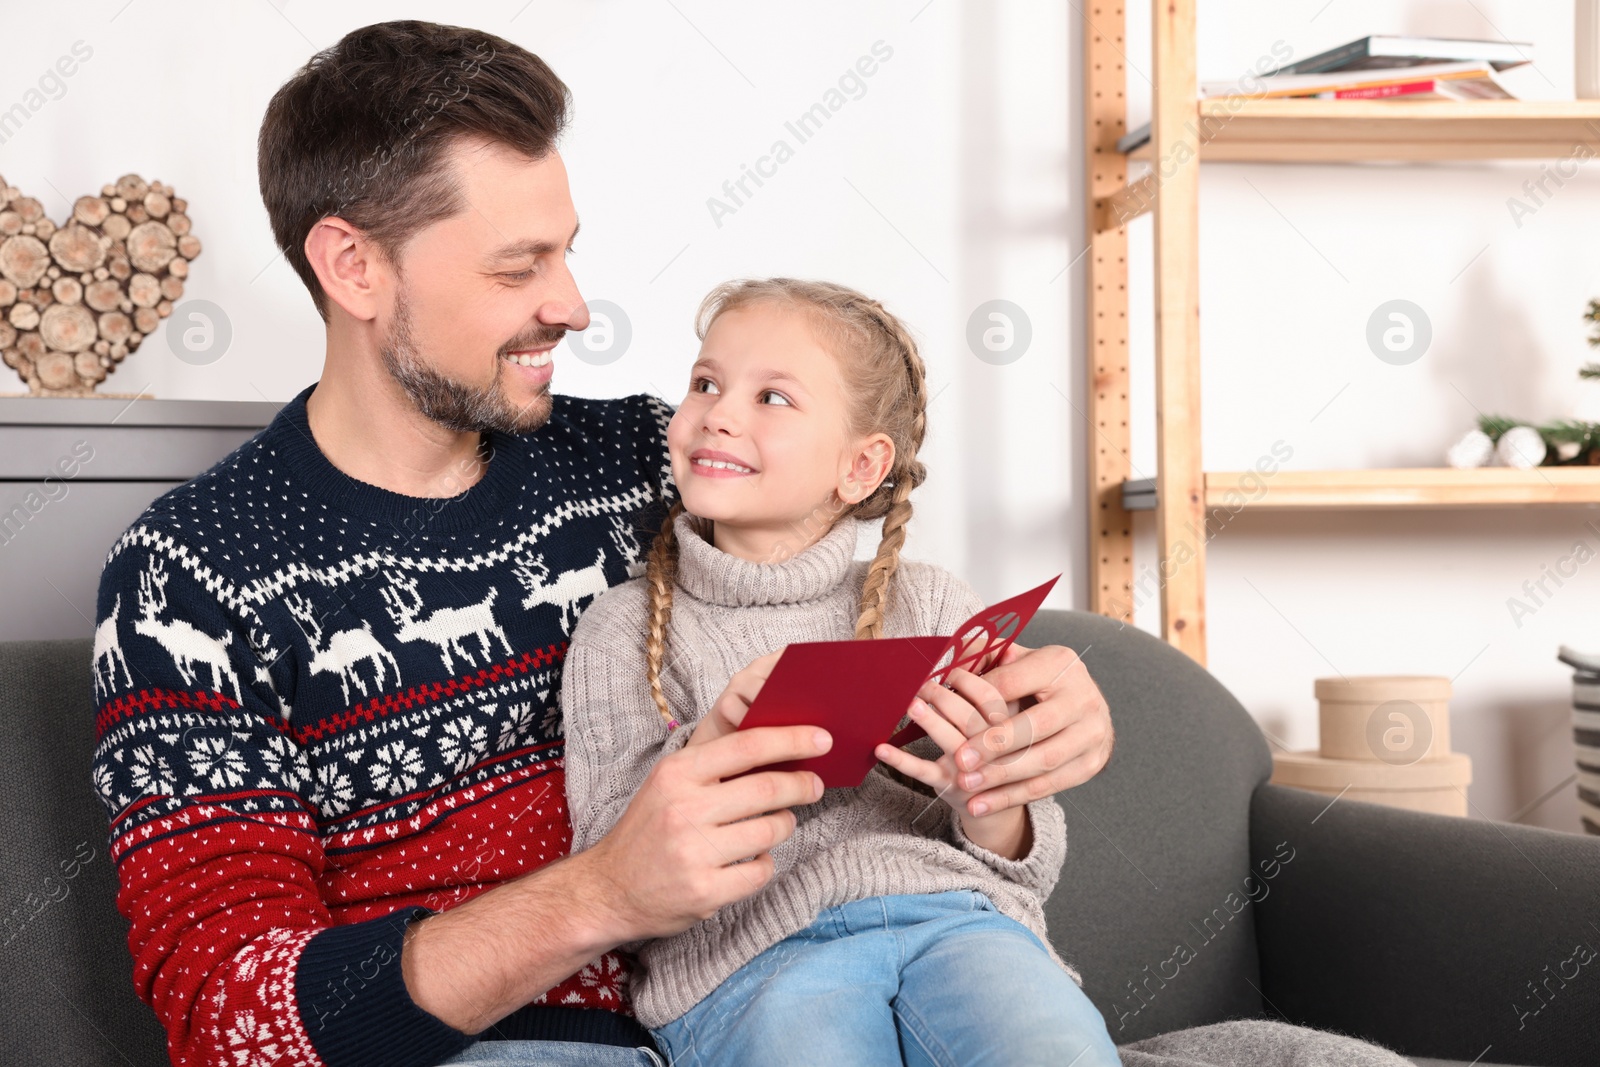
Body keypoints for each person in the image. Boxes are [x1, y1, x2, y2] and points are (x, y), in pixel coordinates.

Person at [86, 20, 1114, 1067]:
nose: (570, 306)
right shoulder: (190, 576)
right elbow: (231, 1015)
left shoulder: (647, 460)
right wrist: (603, 890)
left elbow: (860, 561)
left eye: (566, 251)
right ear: (353, 266)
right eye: (517, 266)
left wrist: (1043, 699)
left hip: (789, 991)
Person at [560, 278, 1121, 1067]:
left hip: (957, 921)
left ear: (860, 467)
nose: (718, 411)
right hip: (753, 960)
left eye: (773, 398)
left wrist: (985, 798)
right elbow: (613, 877)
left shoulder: (928, 599)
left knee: (1051, 1048)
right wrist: (712, 741)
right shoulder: (623, 629)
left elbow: (1026, 859)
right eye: (705, 383)